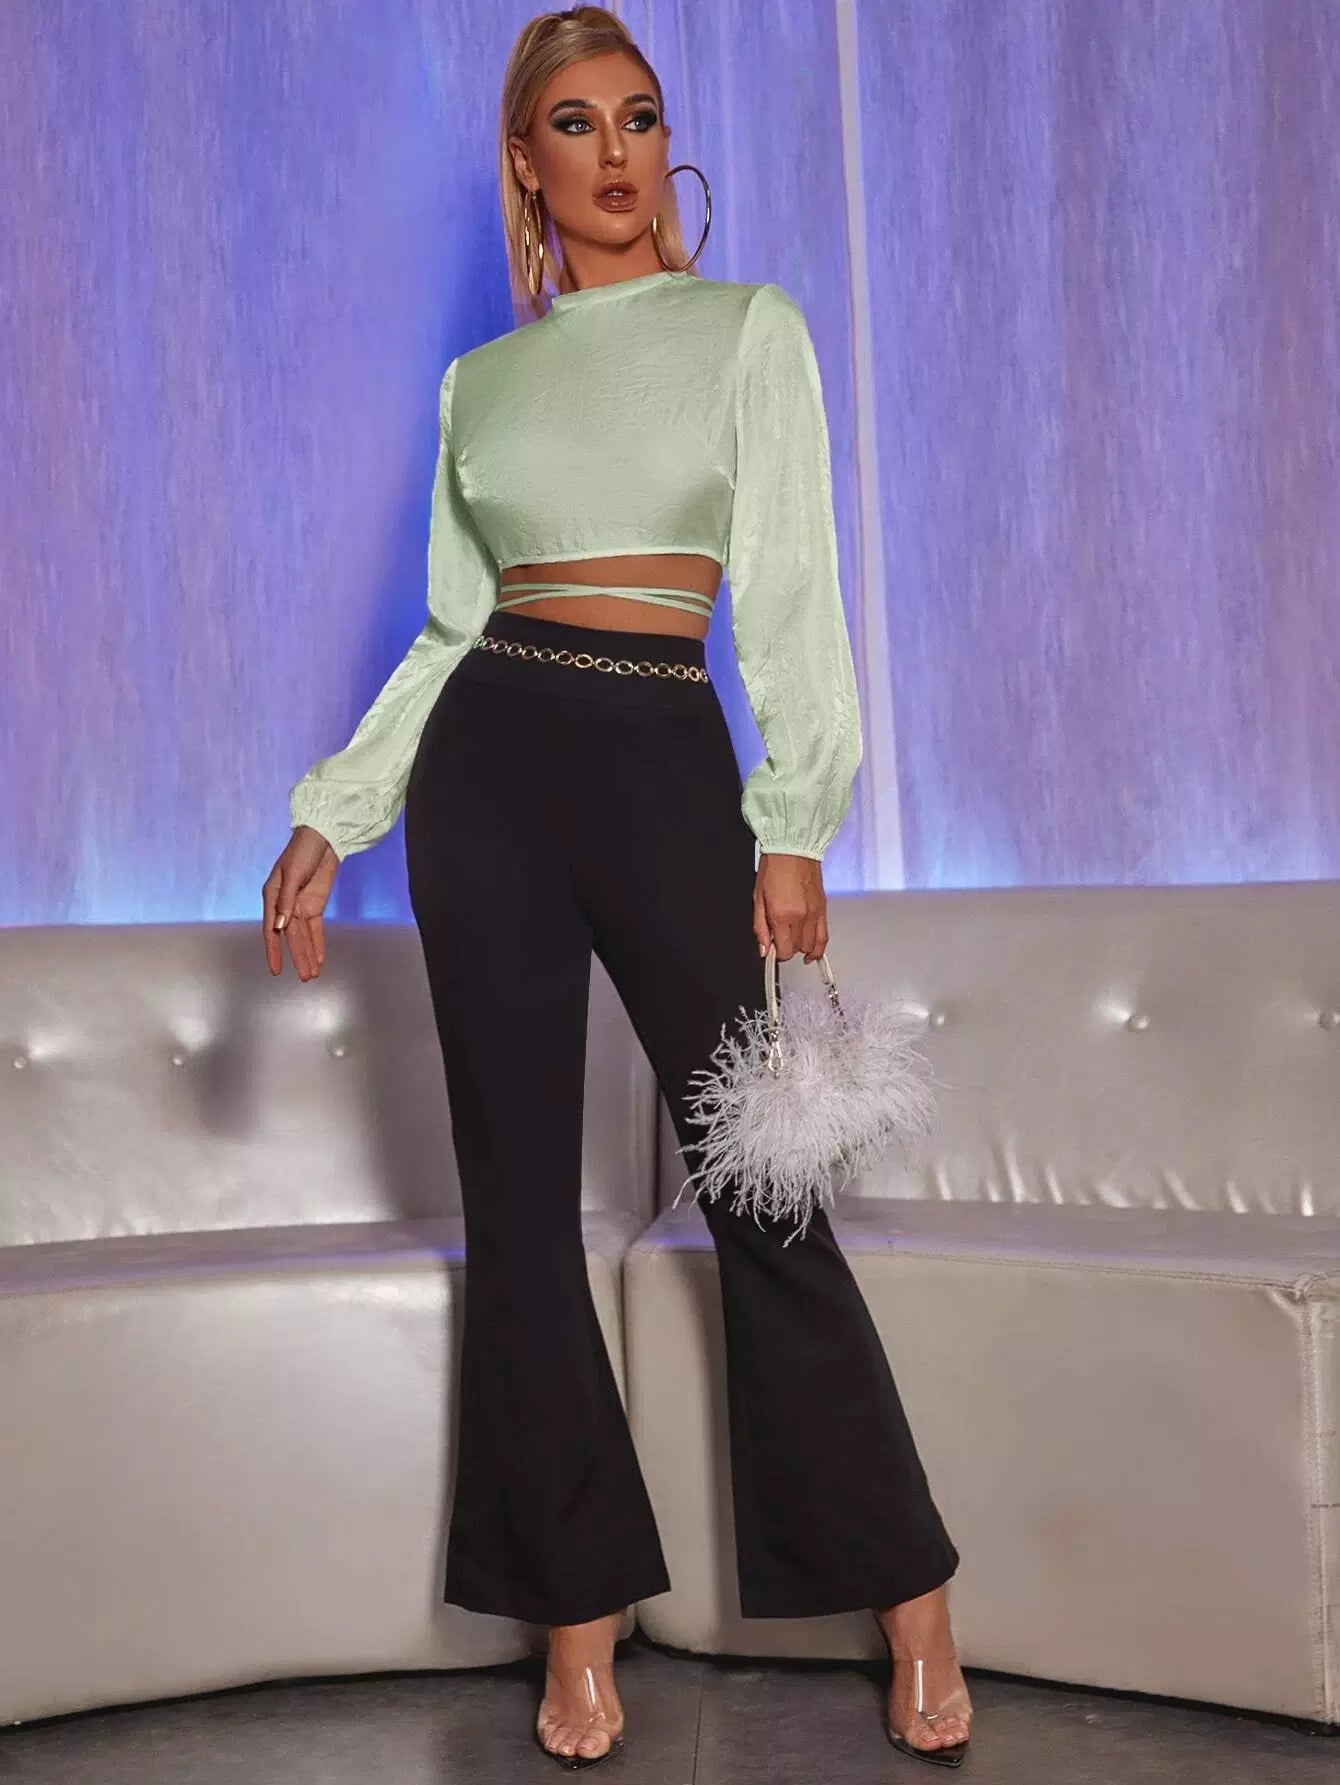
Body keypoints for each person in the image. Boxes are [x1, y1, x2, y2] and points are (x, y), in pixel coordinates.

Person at [263, 6, 972, 1771]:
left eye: (639, 117)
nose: (615, 152)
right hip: (486, 774)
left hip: (662, 757)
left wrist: (794, 818)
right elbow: (448, 629)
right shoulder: (480, 387)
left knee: (760, 1186)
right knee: (518, 1214)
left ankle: (912, 1597)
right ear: (527, 162)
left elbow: (792, 589)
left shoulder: (748, 331)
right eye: (574, 124)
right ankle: (574, 1624)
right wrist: (335, 813)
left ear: (667, 144)